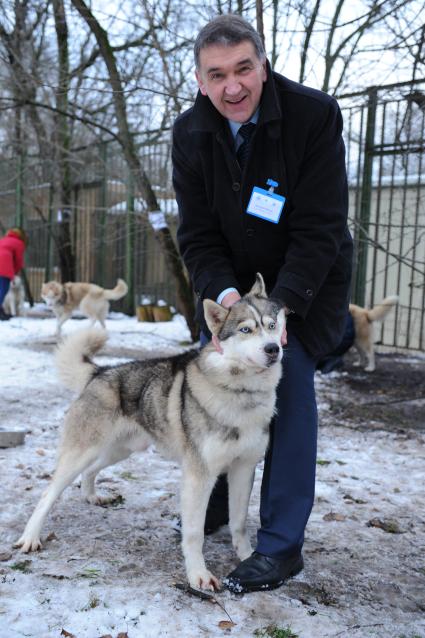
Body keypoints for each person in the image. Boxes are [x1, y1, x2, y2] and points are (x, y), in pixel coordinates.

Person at [172, 14, 353, 593]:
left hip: (306, 285)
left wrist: (275, 314)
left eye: (244, 69)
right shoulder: (190, 133)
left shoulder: (312, 116)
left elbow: (321, 227)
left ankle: (280, 547)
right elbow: (197, 233)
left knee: (287, 390)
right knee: (217, 387)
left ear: (263, 65)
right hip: (231, 295)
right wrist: (226, 299)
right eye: (217, 74)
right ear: (201, 80)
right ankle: (223, 502)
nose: (233, 87)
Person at [0, 227, 27, 321]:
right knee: (3, 289)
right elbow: (18, 261)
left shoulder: (3, 240)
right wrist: (14, 273)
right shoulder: (19, 243)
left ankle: (1, 311)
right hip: (3, 266)